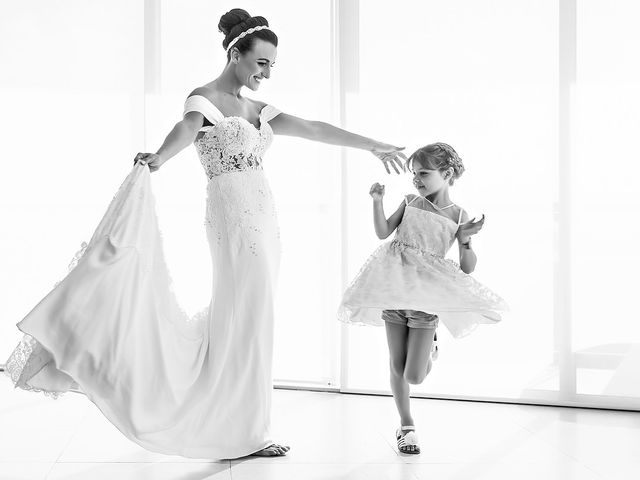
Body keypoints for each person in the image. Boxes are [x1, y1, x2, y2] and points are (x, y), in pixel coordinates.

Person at [4, 8, 406, 460]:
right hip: (233, 221)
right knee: (242, 318)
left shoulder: (259, 109)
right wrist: (158, 157)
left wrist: (373, 145)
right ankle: (242, 431)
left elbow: (313, 128)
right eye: (261, 63)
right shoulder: (204, 99)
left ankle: (245, 425)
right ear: (236, 54)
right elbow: (186, 129)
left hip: (266, 221)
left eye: (273, 65)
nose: (267, 73)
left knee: (255, 320)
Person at [337, 143, 508, 454]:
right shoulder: (411, 201)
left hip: (425, 300)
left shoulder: (458, 216)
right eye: (414, 173)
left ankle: (432, 348)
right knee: (396, 364)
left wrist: (466, 238)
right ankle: (407, 425)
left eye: (424, 173)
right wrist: (377, 201)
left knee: (414, 375)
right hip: (393, 289)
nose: (416, 178)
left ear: (447, 174)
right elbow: (382, 232)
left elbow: (467, 267)